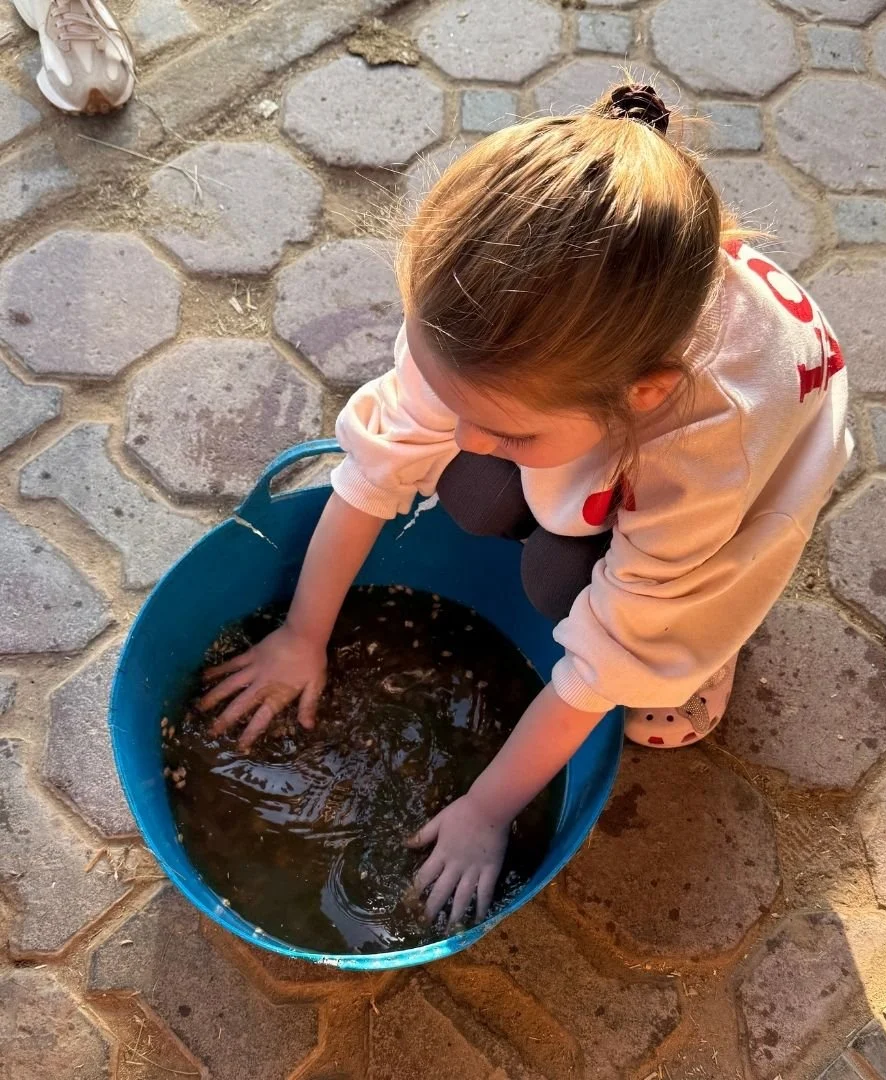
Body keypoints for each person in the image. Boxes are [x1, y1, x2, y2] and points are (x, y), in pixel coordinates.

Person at [194, 83, 851, 926]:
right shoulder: (485, 324)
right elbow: (380, 465)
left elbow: (602, 660)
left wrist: (484, 810)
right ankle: (562, 495)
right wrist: (302, 632)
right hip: (601, 412)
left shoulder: (702, 455)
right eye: (450, 401)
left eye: (504, 431)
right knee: (472, 491)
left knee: (639, 647)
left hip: (765, 466)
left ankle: (704, 652)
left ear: (642, 396)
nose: (466, 438)